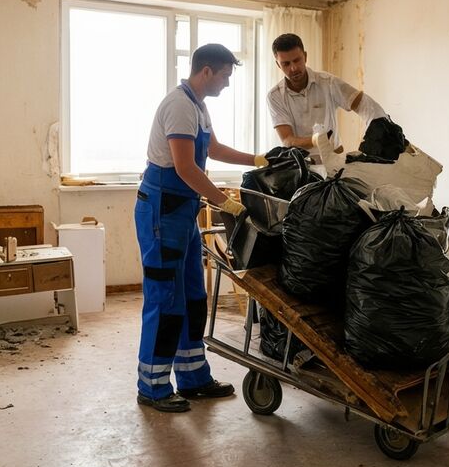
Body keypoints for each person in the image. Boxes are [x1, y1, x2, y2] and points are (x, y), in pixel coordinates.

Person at [134, 43, 267, 412]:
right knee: (165, 299)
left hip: (183, 211)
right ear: (206, 71)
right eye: (225, 75)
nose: (227, 83)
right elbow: (185, 168)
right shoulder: (178, 105)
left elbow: (213, 149)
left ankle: (193, 378)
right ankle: (153, 386)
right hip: (162, 211)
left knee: (193, 294)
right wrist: (224, 202)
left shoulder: (198, 106)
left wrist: (258, 159)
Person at [266, 33, 385, 166]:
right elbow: (287, 139)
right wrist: (315, 140)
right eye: (286, 64)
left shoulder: (328, 83)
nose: (293, 68)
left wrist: (381, 126)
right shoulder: (274, 96)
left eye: (297, 60)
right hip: (300, 165)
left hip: (335, 161)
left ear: (305, 57)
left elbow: (362, 104)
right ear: (278, 64)